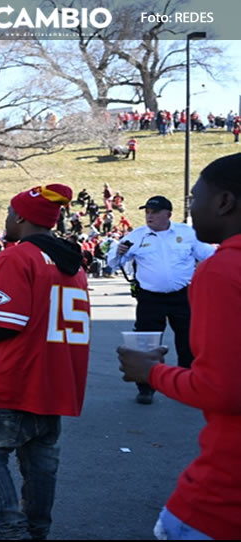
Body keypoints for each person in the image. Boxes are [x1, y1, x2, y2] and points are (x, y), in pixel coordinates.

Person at [117, 154, 241, 540]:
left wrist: (150, 372)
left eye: (193, 198)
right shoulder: (137, 235)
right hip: (150, 299)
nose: (192, 208)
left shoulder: (221, 269)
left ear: (223, 202)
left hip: (224, 492)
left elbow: (221, 389)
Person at [0, 184, 91, 540]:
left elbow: (4, 323)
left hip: (13, 379)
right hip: (57, 379)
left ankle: (11, 530)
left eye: (8, 212)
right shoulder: (73, 265)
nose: (5, 219)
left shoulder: (17, 256)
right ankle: (37, 530)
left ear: (20, 217)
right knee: (40, 464)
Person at [108, 195, 215, 404]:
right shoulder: (137, 236)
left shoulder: (186, 233)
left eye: (154, 212)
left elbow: (209, 256)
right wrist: (118, 252)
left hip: (182, 296)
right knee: (146, 343)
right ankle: (145, 387)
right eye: (147, 212)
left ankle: (189, 385)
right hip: (150, 298)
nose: (150, 216)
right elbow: (113, 262)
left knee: (188, 341)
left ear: (168, 214)